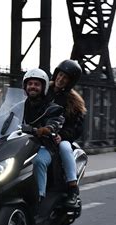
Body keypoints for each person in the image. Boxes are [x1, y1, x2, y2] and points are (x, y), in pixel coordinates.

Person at [45, 60, 87, 207]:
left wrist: (61, 135)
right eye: (60, 75)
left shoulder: (73, 102)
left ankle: (72, 187)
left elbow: (77, 127)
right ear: (56, 74)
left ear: (70, 82)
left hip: (58, 137)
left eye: (66, 78)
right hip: (39, 134)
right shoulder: (43, 91)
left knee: (65, 147)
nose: (61, 79)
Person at [22, 68, 65, 204]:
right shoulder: (19, 105)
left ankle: (39, 198)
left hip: (43, 147)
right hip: (21, 146)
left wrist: (45, 129)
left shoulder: (51, 107)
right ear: (25, 86)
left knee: (39, 161)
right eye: (30, 84)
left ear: (43, 87)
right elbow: (4, 117)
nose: (33, 87)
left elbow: (56, 122)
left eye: (36, 84)